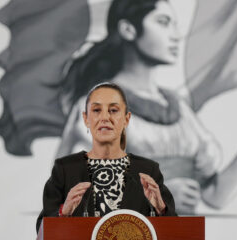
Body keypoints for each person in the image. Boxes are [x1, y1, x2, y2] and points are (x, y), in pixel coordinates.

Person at [55, 0, 237, 215]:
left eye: (174, 24)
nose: (175, 35)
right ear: (128, 29)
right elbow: (75, 195)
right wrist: (154, 196)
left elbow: (213, 196)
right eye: (163, 22)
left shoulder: (179, 110)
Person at [36, 83, 176, 232]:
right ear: (85, 119)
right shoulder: (65, 169)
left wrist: (161, 209)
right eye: (96, 110)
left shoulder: (148, 170)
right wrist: (63, 212)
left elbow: (175, 231)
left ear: (126, 119)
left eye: (113, 110)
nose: (105, 117)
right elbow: (42, 230)